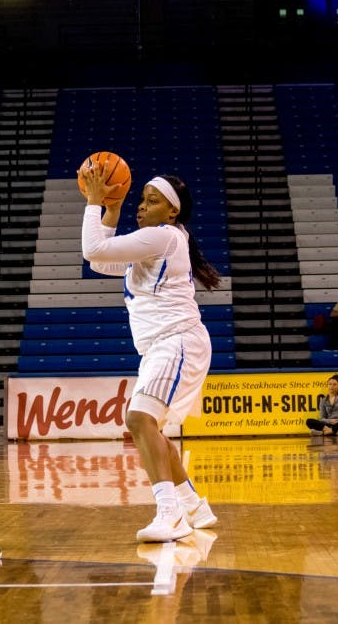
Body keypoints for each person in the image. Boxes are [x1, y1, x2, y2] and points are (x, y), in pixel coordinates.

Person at [77, 164, 221, 543]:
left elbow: (92, 247)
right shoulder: (156, 245)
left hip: (177, 341)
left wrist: (94, 202)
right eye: (140, 200)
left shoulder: (166, 237)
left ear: (172, 212)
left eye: (151, 201)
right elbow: (99, 260)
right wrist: (112, 210)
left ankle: (169, 514)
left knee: (139, 419)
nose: (141, 207)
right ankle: (193, 505)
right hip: (167, 345)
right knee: (149, 426)